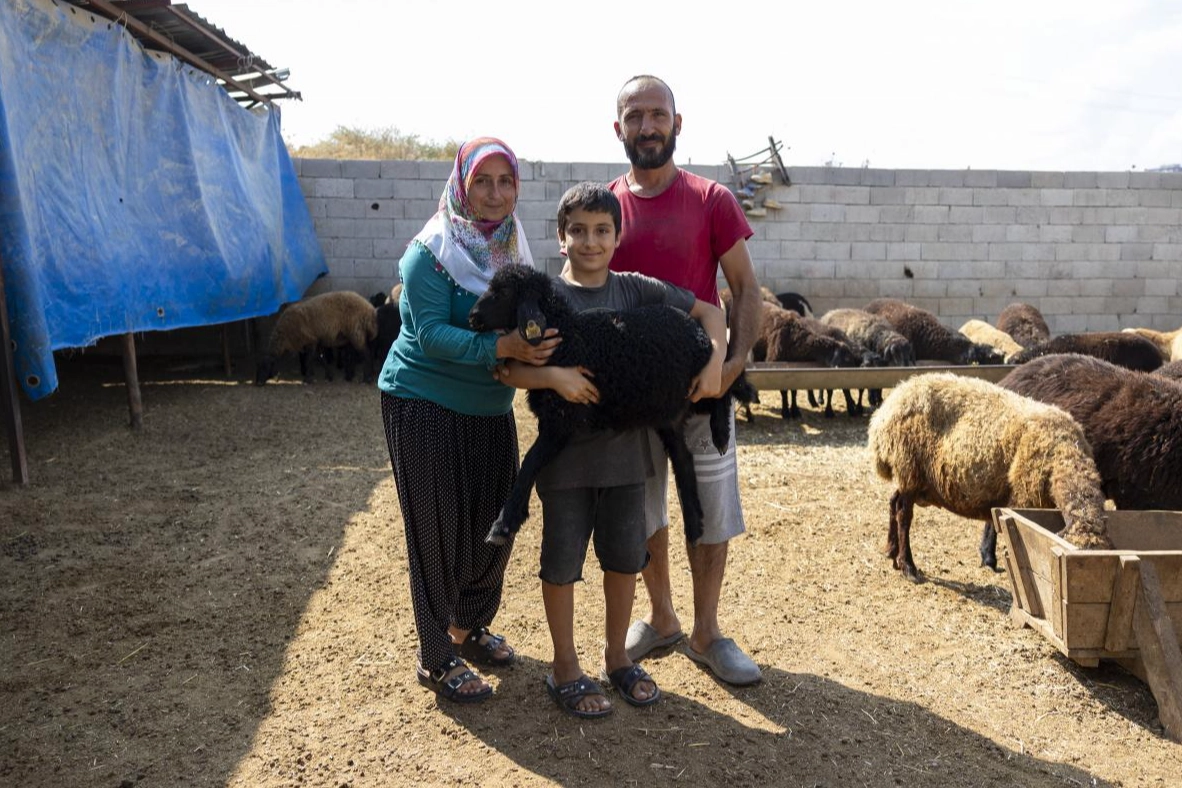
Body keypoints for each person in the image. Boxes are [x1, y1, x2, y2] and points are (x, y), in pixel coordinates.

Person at [493, 182, 727, 717]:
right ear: (561, 238)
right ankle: (564, 666)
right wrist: (554, 377)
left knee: (624, 560)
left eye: (602, 231)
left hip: (629, 462)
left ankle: (617, 657)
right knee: (562, 561)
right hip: (566, 464)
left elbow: (709, 313)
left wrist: (715, 360)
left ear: (618, 237)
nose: (590, 242)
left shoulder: (635, 290)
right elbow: (508, 368)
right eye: (578, 231)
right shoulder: (545, 299)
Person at [378, 137, 559, 704]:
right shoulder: (429, 252)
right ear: (462, 184)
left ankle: (469, 624)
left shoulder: (514, 249)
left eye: (506, 182)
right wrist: (501, 345)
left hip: (489, 406)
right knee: (438, 533)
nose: (495, 194)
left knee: (496, 524)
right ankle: (436, 656)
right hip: (424, 403)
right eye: (483, 181)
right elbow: (429, 334)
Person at [608, 74, 765, 686]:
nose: (647, 126)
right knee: (643, 510)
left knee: (711, 513)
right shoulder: (602, 209)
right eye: (634, 116)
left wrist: (731, 367)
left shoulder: (711, 200)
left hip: (704, 392)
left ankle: (706, 631)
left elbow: (746, 288)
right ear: (617, 127)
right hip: (635, 399)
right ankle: (662, 616)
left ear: (678, 123)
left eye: (657, 114)